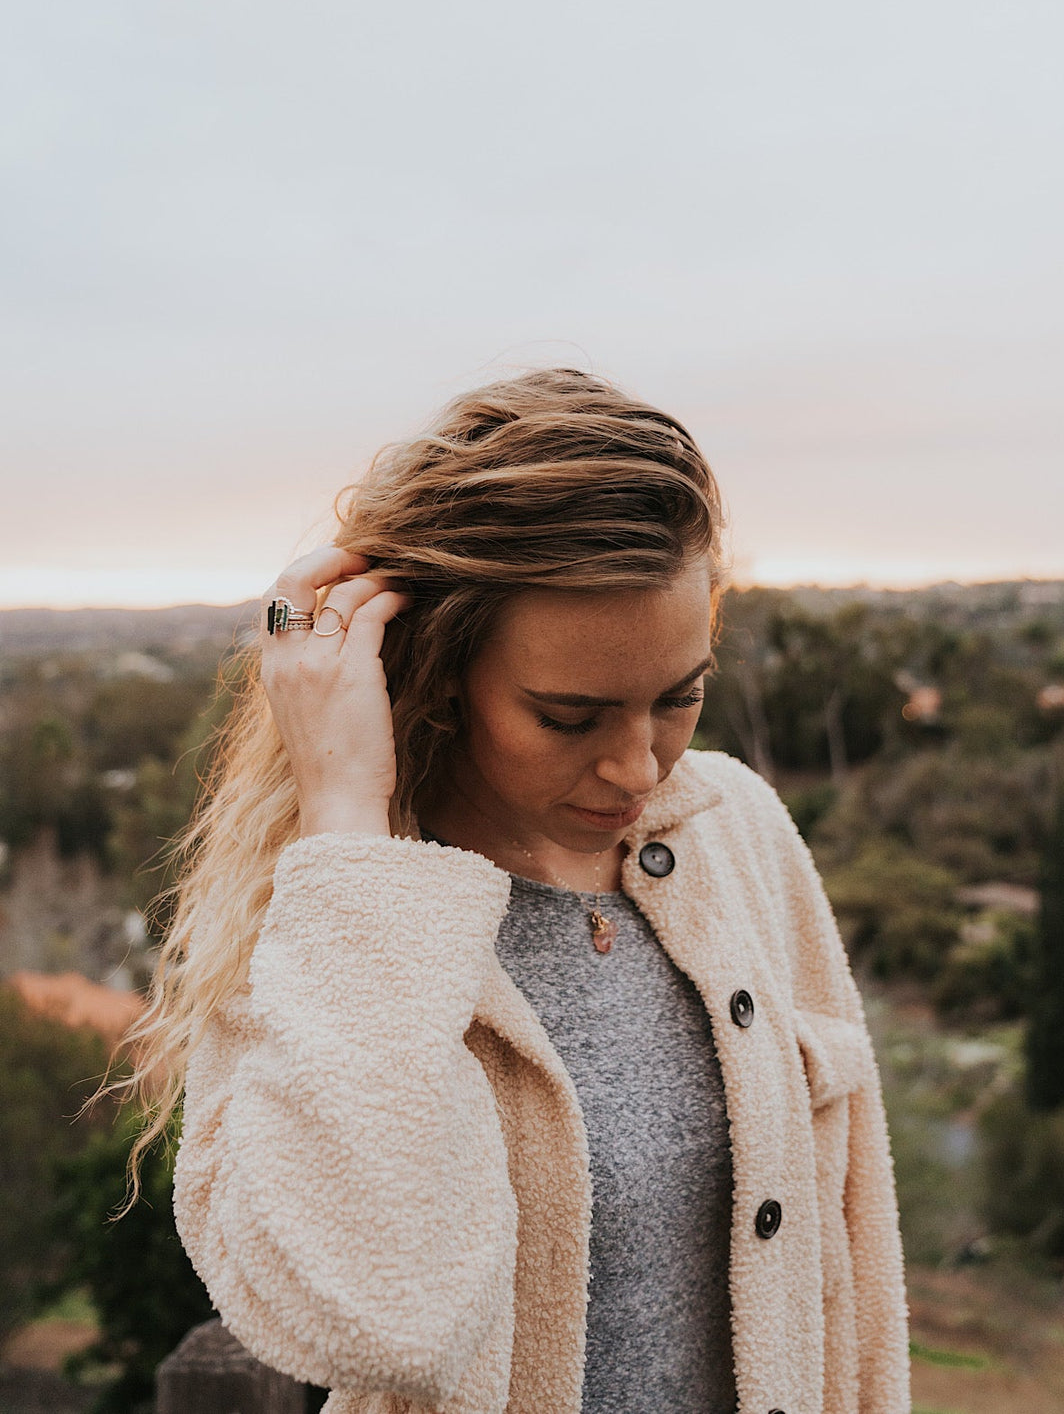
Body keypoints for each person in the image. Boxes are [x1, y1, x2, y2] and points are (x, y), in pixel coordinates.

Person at [112, 367, 910, 1414]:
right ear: (439, 673)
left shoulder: (740, 830)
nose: (641, 767)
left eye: (681, 698)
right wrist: (349, 816)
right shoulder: (324, 924)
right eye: (570, 718)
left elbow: (856, 1273)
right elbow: (373, 1323)